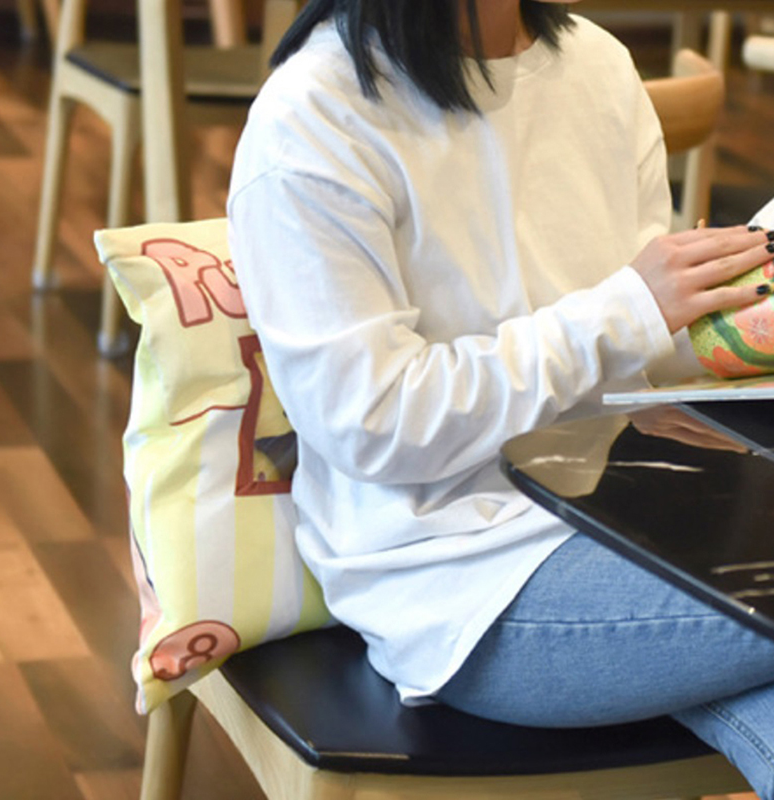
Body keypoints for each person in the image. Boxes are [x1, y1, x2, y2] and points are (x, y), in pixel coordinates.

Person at [227, 1, 774, 795]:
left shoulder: (596, 64)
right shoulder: (314, 118)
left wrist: (740, 317)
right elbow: (373, 422)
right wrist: (628, 310)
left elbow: (639, 352)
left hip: (633, 513)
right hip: (459, 574)